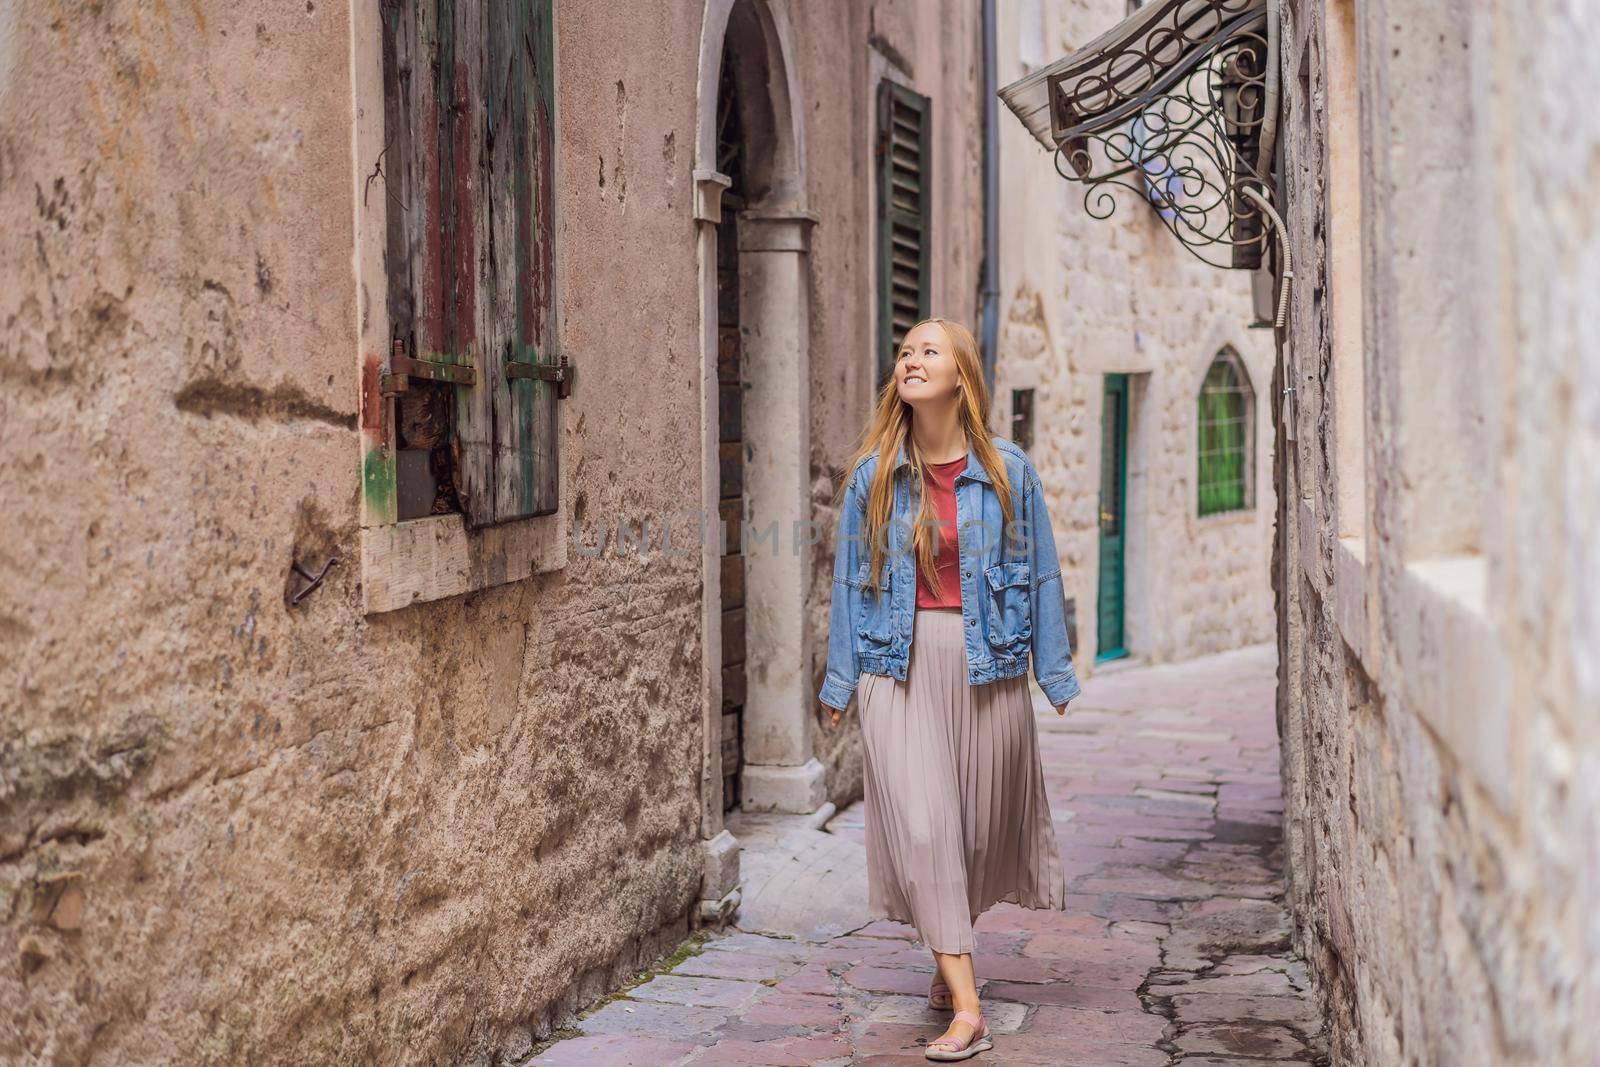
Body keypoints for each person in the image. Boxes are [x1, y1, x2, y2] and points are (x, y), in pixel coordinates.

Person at [818, 317, 1081, 1062]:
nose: (910, 358)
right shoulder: (873, 476)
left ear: (961, 376)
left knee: (969, 832)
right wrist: (840, 680)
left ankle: (945, 960)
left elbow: (1042, 573)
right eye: (904, 350)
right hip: (895, 665)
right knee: (927, 827)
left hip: (986, 663)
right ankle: (970, 1009)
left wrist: (1052, 673)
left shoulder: (1010, 472)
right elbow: (846, 583)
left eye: (928, 350)